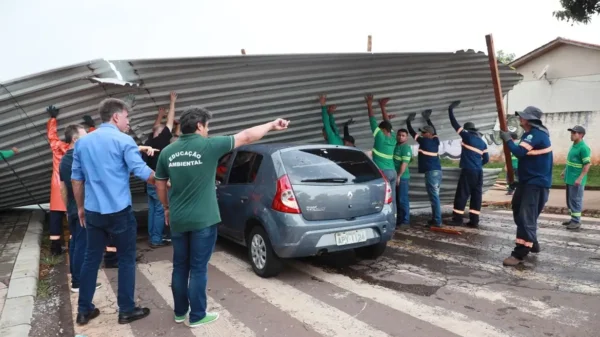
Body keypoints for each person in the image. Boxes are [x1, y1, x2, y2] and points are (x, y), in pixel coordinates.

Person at [154, 107, 289, 328]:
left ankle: (180, 312)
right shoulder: (209, 146)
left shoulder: (168, 152)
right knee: (198, 268)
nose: (208, 130)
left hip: (178, 219)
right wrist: (272, 124)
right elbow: (246, 136)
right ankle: (197, 315)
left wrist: (166, 208)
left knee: (180, 266)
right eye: (207, 126)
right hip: (203, 220)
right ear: (199, 125)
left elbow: (159, 184)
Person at [72, 98, 155, 325]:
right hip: (119, 212)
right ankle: (126, 310)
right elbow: (142, 172)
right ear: (116, 116)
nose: (128, 122)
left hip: (93, 212)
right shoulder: (123, 140)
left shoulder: (82, 143)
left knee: (91, 258)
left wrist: (80, 208)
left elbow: (76, 180)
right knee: (126, 259)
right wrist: (166, 181)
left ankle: (84, 310)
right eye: (127, 117)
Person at [499, 106, 552, 266]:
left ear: (529, 120)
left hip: (536, 183)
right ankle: (532, 241)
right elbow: (528, 159)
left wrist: (508, 139)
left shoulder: (537, 135)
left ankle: (519, 253)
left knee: (526, 216)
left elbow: (520, 153)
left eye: (523, 117)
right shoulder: (530, 134)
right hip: (527, 182)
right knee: (517, 209)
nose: (520, 119)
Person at [58, 124, 103, 293]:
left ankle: (76, 278)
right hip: (82, 208)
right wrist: (80, 207)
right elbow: (81, 183)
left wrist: (68, 209)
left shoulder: (63, 160)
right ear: (75, 140)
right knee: (83, 245)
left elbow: (62, 188)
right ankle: (79, 282)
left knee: (76, 243)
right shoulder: (79, 159)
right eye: (85, 136)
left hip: (72, 208)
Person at [47, 106, 96, 256]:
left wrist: (52, 119)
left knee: (56, 216)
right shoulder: (80, 152)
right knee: (76, 218)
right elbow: (93, 142)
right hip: (74, 186)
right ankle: (74, 243)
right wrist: (92, 126)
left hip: (58, 185)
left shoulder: (58, 148)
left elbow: (52, 137)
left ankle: (55, 247)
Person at [447, 100, 489, 228]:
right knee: (476, 195)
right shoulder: (482, 143)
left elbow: (455, 124)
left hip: (468, 171)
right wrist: (477, 165)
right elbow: (486, 159)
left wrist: (450, 110)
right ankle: (474, 220)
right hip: (478, 172)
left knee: (462, 194)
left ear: (467, 129)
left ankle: (457, 219)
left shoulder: (467, 136)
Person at [144, 91, 178, 248]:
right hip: (159, 181)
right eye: (163, 128)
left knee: (152, 209)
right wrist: (172, 102)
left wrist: (160, 114)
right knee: (159, 210)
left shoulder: (150, 141)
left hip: (149, 180)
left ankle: (153, 236)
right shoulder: (162, 139)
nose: (166, 129)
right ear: (161, 133)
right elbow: (170, 122)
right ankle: (156, 240)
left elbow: (154, 127)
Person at [406, 109, 442, 227]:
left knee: (434, 197)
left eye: (423, 132)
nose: (421, 133)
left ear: (428, 134)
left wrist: (408, 122)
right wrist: (427, 119)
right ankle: (435, 219)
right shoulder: (436, 141)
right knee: (434, 196)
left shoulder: (424, 141)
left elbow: (412, 133)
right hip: (437, 172)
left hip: (431, 173)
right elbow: (434, 130)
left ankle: (437, 221)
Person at [365, 95, 397, 210]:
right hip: (393, 172)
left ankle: (383, 218)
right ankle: (393, 218)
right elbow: (387, 123)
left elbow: (372, 119)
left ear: (383, 130)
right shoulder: (393, 138)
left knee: (382, 198)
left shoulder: (380, 137)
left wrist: (369, 104)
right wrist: (382, 106)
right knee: (392, 198)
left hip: (384, 172)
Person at [561, 125, 591, 230]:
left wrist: (580, 178)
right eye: (571, 133)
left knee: (576, 200)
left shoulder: (583, 148)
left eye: (574, 133)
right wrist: (565, 171)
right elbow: (571, 161)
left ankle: (576, 221)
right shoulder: (574, 145)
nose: (572, 135)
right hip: (570, 178)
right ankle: (573, 218)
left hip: (576, 180)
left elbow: (587, 164)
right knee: (570, 200)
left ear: (581, 135)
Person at [393, 129, 412, 228]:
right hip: (396, 176)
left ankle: (405, 221)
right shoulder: (396, 145)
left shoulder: (406, 148)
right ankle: (399, 220)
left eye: (403, 135)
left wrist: (399, 176)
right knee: (397, 199)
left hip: (402, 177)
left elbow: (404, 164)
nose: (401, 137)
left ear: (406, 137)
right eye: (399, 135)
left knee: (402, 199)